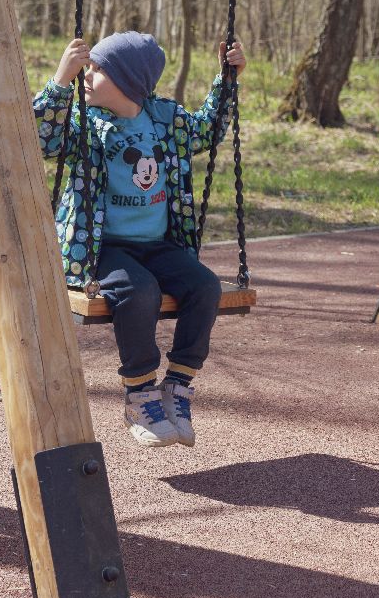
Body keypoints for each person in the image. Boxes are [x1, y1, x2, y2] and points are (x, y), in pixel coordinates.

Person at [34, 31, 246, 447]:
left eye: (97, 69)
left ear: (129, 81)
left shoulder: (165, 119)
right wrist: (61, 81)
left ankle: (179, 386)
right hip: (100, 247)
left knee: (204, 286)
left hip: (157, 244)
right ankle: (140, 393)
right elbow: (43, 139)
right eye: (87, 68)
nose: (88, 76)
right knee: (139, 291)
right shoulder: (84, 123)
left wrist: (228, 78)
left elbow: (208, 129)